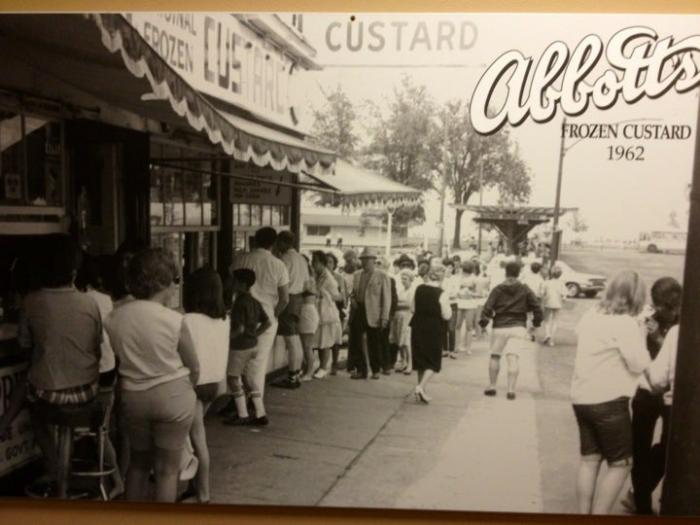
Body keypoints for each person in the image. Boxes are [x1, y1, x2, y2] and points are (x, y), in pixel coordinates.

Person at [10, 235, 102, 496]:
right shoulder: (90, 302)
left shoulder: (31, 301)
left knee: (36, 411)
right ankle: (64, 474)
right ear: (74, 270)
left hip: (48, 395)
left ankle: (55, 469)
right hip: (87, 391)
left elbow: (24, 345)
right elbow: (97, 348)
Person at [104, 248, 199, 502]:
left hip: (133, 396)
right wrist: (189, 390)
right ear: (164, 283)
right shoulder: (174, 319)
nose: (174, 287)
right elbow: (194, 366)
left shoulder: (114, 317)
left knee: (138, 464)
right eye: (174, 280)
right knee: (167, 471)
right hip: (173, 396)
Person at [570, 271, 650, 515]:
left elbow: (580, 335)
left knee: (589, 459)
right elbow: (638, 363)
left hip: (582, 396)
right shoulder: (626, 324)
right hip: (610, 400)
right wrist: (642, 332)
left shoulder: (591, 314)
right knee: (621, 464)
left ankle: (583, 514)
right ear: (636, 296)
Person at [626, 277, 682, 515]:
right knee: (639, 446)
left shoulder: (682, 323)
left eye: (672, 308)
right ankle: (642, 505)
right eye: (662, 307)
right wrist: (642, 332)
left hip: (669, 392)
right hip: (646, 391)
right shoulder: (645, 320)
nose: (670, 312)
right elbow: (637, 356)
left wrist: (658, 338)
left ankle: (640, 490)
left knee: (669, 446)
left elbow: (673, 357)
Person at [76, 254, 124, 499]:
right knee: (101, 429)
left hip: (87, 373)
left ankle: (61, 473)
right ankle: (114, 479)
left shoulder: (79, 300)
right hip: (109, 369)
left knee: (93, 429)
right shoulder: (107, 300)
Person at [181, 267, 230, 503]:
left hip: (193, 384)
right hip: (214, 384)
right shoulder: (224, 319)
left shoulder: (187, 320)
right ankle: (194, 488)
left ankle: (203, 494)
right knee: (197, 437)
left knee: (197, 439)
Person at [232, 227, 290, 399]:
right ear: (274, 243)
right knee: (258, 363)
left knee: (237, 360)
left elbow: (230, 285)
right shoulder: (278, 265)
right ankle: (255, 403)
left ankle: (239, 401)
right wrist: (274, 315)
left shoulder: (241, 259)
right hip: (265, 318)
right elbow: (285, 299)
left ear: (255, 240)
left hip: (241, 316)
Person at [480, 261, 543, 400]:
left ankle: (492, 386)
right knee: (513, 357)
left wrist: (483, 323)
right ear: (518, 273)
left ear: (505, 273)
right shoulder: (525, 289)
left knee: (495, 356)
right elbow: (537, 307)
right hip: (518, 327)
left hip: (499, 326)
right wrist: (536, 322)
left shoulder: (497, 289)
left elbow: (487, 308)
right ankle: (511, 390)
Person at [224, 269, 271, 427]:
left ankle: (242, 414)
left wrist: (226, 339)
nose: (230, 283)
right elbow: (267, 322)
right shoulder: (254, 301)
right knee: (248, 379)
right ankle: (260, 413)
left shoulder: (239, 302)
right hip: (252, 345)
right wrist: (255, 334)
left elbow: (239, 329)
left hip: (240, 347)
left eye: (234, 281)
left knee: (232, 379)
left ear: (242, 284)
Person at [348, 247, 392, 380]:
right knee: (357, 341)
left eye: (368, 259)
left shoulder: (382, 275)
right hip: (359, 310)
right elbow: (352, 292)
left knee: (374, 342)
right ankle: (361, 370)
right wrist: (353, 300)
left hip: (374, 312)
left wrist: (384, 317)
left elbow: (386, 298)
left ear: (374, 260)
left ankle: (376, 369)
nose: (365, 262)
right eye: (363, 259)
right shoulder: (357, 275)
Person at [410, 266, 452, 403]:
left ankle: (421, 390)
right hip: (433, 328)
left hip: (417, 326)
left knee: (420, 360)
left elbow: (412, 308)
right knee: (434, 361)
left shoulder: (419, 289)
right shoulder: (442, 293)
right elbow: (446, 315)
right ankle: (420, 387)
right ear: (441, 277)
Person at [273, 231, 308, 389]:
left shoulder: (285, 259)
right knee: (295, 338)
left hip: (288, 298)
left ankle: (292, 376)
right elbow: (306, 282)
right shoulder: (301, 258)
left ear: (283, 243)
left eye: (278, 242)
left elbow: (279, 280)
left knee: (291, 339)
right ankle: (296, 373)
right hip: (298, 299)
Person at [311, 251, 342, 379]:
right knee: (319, 340)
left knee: (326, 341)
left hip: (326, 313)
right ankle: (321, 366)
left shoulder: (328, 277)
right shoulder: (317, 275)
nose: (313, 264)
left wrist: (323, 294)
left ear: (321, 263)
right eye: (313, 261)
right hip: (318, 312)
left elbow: (338, 296)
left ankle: (324, 367)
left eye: (315, 262)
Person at [326, 252, 348, 375]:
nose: (328, 264)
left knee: (335, 339)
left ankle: (334, 363)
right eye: (326, 262)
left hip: (335, 310)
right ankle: (322, 364)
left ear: (334, 264)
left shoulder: (339, 278)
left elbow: (343, 298)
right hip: (321, 310)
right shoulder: (318, 276)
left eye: (330, 262)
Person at [391, 270, 415, 375]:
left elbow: (409, 305)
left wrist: (396, 305)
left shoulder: (412, 291)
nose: (403, 281)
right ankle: (403, 361)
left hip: (407, 317)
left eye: (405, 279)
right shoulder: (401, 290)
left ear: (410, 279)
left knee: (406, 341)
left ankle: (410, 364)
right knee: (399, 340)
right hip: (398, 317)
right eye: (402, 279)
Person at [298, 268, 320, 381]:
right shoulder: (309, 280)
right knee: (305, 346)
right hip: (305, 312)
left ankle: (309, 372)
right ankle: (306, 369)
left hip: (308, 313)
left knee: (307, 346)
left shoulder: (309, 281)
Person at [456, 261, 479, 355]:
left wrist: (471, 293)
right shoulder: (459, 277)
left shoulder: (474, 279)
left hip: (470, 303)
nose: (463, 272)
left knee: (469, 326)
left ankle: (468, 348)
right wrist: (459, 292)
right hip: (460, 302)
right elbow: (455, 289)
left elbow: (478, 293)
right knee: (457, 325)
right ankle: (457, 346)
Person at [542, 265, 568, 346]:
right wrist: (563, 298)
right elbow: (564, 295)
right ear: (560, 274)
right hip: (558, 303)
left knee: (546, 319)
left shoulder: (546, 282)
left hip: (548, 302)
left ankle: (547, 334)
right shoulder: (561, 283)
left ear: (551, 273)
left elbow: (542, 293)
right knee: (555, 320)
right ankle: (552, 340)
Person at [441, 258, 460, 360]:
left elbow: (455, 293)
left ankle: (452, 350)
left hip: (452, 305)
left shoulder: (455, 279)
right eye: (446, 267)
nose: (448, 270)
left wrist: (446, 294)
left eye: (450, 267)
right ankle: (445, 349)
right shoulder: (441, 279)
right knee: (443, 327)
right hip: (443, 305)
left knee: (451, 328)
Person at [522, 261, 545, 341]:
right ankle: (533, 333)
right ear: (539, 270)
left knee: (528, 316)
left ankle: (527, 333)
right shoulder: (540, 279)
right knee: (535, 316)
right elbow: (542, 292)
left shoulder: (526, 277)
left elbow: (522, 286)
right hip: (536, 298)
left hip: (526, 297)